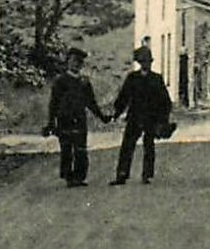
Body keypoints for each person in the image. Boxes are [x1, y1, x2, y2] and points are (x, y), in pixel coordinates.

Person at [42, 47, 111, 186]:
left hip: (79, 119)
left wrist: (102, 117)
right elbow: (53, 103)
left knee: (81, 149)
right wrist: (51, 122)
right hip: (64, 119)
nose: (76, 64)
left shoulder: (84, 82)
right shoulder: (60, 81)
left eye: (79, 62)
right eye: (73, 61)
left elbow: (91, 102)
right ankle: (69, 177)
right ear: (68, 62)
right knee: (66, 149)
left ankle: (79, 177)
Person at [109, 46, 173, 185]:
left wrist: (163, 119)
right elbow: (124, 97)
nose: (146, 64)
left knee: (149, 146)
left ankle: (147, 174)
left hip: (151, 118)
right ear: (139, 62)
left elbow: (165, 101)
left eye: (148, 61)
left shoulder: (157, 79)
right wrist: (116, 112)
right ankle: (122, 174)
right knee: (127, 145)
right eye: (143, 61)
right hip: (135, 117)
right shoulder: (132, 78)